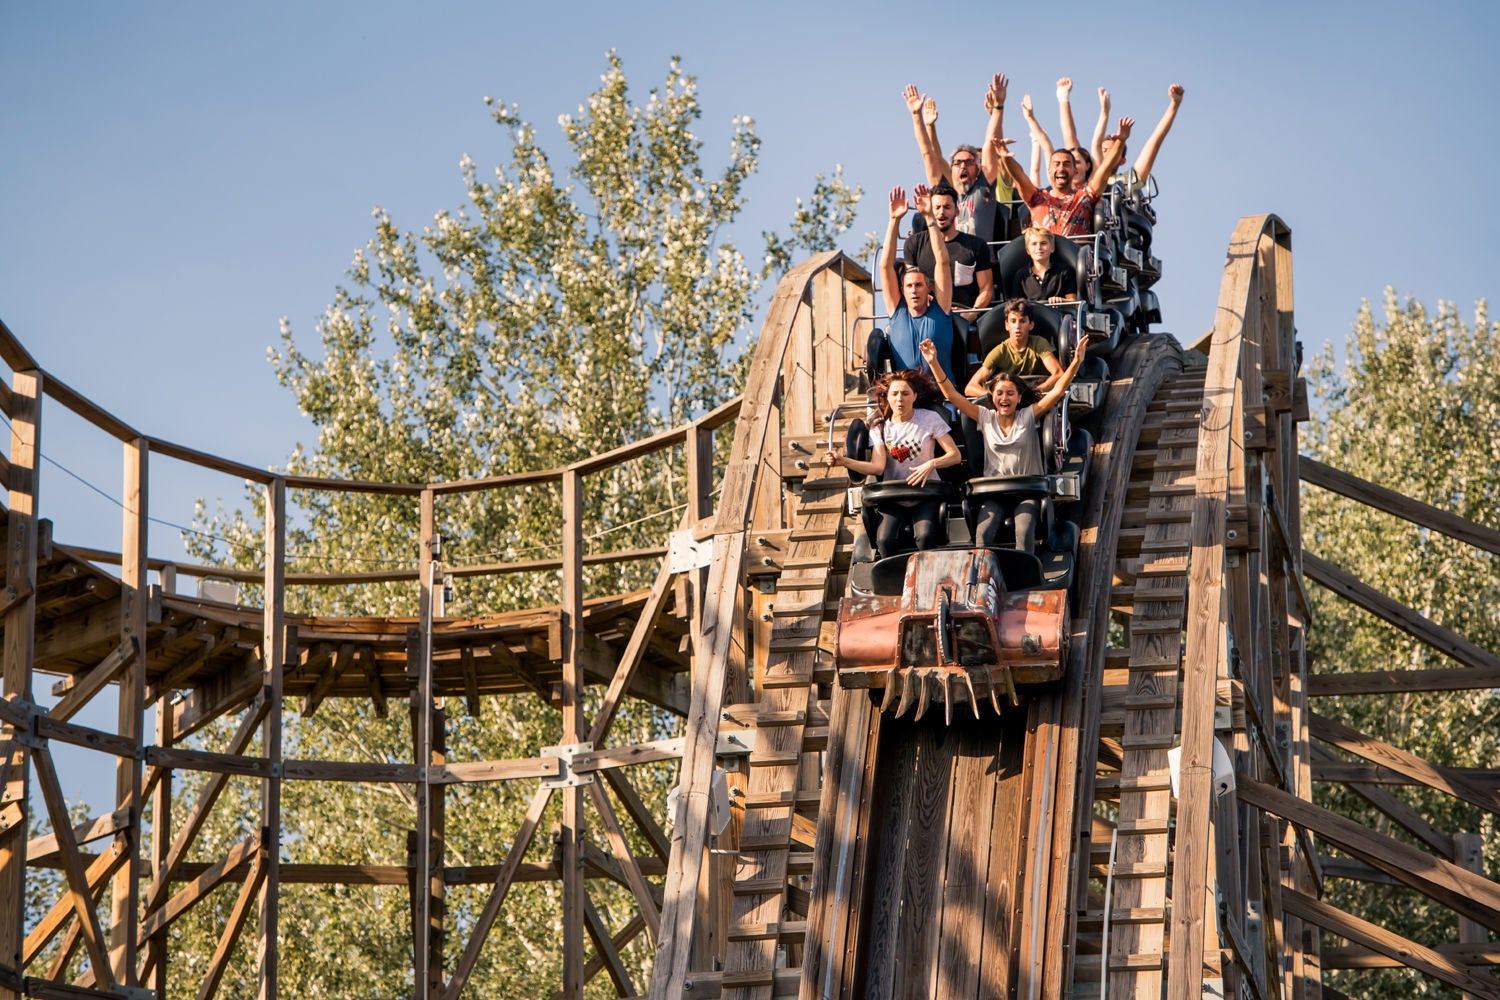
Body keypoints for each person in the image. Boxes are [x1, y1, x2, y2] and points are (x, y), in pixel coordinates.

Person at [921, 336, 1088, 552]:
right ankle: (986, 571)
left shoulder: (1029, 415)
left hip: (1026, 490)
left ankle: (1026, 571)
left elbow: (1056, 392)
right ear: (992, 397)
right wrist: (933, 362)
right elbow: (951, 395)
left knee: (1024, 530)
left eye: (1010, 393)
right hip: (996, 492)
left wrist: (1076, 362)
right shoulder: (985, 417)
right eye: (999, 393)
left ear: (1019, 397)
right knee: (983, 533)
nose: (1004, 398)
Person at [823, 369, 962, 557]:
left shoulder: (929, 418)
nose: (899, 399)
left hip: (925, 492)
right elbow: (877, 467)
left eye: (905, 394)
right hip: (894, 495)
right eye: (894, 394)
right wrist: (843, 460)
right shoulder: (879, 426)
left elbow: (955, 455)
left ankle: (926, 572)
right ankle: (893, 574)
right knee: (884, 540)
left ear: (915, 396)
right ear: (887, 397)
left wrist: (931, 464)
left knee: (925, 536)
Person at [902, 75, 1009, 242]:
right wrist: (917, 116)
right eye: (957, 163)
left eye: (969, 162)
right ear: (951, 169)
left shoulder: (983, 189)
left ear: (978, 169)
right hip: (948, 255)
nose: (963, 166)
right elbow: (928, 154)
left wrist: (998, 108)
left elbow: (990, 144)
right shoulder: (944, 193)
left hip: (978, 256)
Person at [994, 117, 1134, 237]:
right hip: (1042, 255)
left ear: (1074, 171)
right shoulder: (1037, 198)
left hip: (1075, 255)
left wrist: (1121, 141)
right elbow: (1020, 177)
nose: (1061, 168)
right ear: (1049, 171)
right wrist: (1005, 158)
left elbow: (1105, 170)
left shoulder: (1085, 196)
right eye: (1057, 164)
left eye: (1066, 164)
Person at [875, 185, 952, 377]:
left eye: (918, 285)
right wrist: (894, 220)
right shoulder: (898, 312)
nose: (913, 290)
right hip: (907, 391)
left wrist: (929, 217)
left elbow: (942, 261)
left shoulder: (941, 309)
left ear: (929, 288)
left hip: (939, 392)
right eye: (909, 286)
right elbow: (885, 267)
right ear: (902, 290)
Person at [905, 180, 995, 319]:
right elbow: (910, 284)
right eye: (937, 207)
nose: (941, 212)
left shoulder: (976, 245)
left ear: (957, 211)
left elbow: (986, 289)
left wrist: (971, 314)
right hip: (925, 316)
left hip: (962, 318)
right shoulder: (914, 244)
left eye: (947, 207)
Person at [965, 299, 1065, 396]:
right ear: (1007, 325)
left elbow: (1058, 373)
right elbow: (970, 387)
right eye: (1013, 321)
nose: (1017, 326)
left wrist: (1037, 392)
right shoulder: (1000, 351)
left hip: (1037, 399)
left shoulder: (1040, 344)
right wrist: (994, 396)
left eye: (1022, 321)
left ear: (1031, 325)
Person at [1116, 84, 1185, 195]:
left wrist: (1174, 104)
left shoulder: (1122, 183)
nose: (1106, 154)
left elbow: (1155, 141)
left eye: (1112, 151)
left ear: (1122, 160)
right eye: (1103, 150)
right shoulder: (1088, 178)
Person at [1009, 226, 1077, 304]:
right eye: (1034, 244)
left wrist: (1061, 300)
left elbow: (1073, 302)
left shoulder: (1064, 271)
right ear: (1028, 250)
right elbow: (1015, 306)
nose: (1039, 247)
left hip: (1059, 311)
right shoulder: (1021, 276)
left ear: (1052, 248)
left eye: (1043, 243)